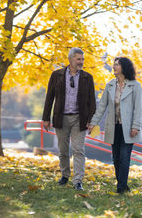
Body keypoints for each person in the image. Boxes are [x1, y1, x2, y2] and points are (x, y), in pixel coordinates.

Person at [42, 48, 96, 191]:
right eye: (78, 59)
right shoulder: (57, 75)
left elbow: (92, 101)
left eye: (82, 59)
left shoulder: (87, 77)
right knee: (63, 150)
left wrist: (91, 120)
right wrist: (46, 118)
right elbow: (49, 97)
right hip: (61, 117)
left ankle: (78, 181)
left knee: (79, 150)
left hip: (80, 118)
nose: (81, 62)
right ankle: (65, 175)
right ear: (70, 60)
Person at [88, 57, 142, 193]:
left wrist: (136, 126)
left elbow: (138, 108)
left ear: (124, 67)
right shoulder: (110, 85)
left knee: (124, 157)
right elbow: (101, 107)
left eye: (117, 64)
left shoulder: (135, 85)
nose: (113, 66)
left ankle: (120, 187)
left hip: (129, 128)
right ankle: (123, 184)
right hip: (114, 127)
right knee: (116, 158)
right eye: (114, 64)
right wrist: (93, 123)